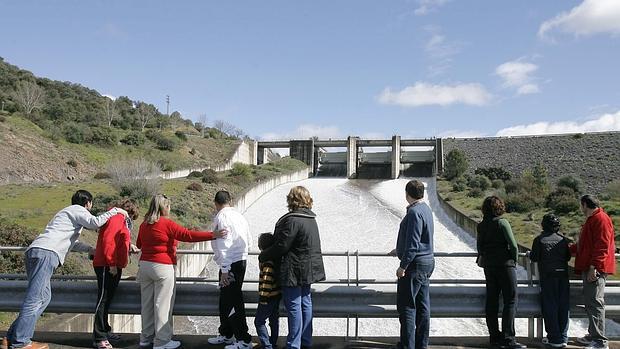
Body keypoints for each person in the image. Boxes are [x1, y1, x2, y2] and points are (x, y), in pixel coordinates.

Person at [1, 190, 128, 349]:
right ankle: (21, 343)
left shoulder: (66, 213)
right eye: (91, 204)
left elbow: (70, 243)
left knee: (44, 298)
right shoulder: (78, 210)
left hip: (38, 251)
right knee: (35, 299)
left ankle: (10, 337)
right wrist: (115, 210)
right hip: (47, 254)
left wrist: (89, 249)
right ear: (88, 203)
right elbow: (95, 222)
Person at [137, 194, 226, 349]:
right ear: (165, 207)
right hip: (163, 267)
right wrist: (213, 235)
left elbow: (139, 243)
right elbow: (188, 235)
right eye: (168, 206)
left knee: (147, 304)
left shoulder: (144, 224)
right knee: (162, 305)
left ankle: (146, 338)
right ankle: (162, 341)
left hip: (144, 266)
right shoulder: (167, 223)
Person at [259, 186, 325, 349]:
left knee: (294, 306)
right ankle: (305, 341)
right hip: (309, 269)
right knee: (305, 303)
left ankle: (293, 345)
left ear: (292, 200)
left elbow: (281, 246)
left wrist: (264, 255)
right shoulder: (311, 219)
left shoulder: (291, 220)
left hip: (293, 271)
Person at [476, 196, 525, 349]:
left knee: (492, 300)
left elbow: (479, 247)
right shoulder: (502, 222)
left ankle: (494, 337)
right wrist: (514, 260)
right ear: (499, 207)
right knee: (510, 300)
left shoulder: (481, 225)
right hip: (505, 266)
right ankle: (508, 339)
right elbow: (513, 245)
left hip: (489, 266)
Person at [207, 191, 253, 349]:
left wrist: (225, 269)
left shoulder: (221, 217)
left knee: (232, 301)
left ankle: (244, 339)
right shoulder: (239, 216)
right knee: (227, 299)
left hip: (230, 265)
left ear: (216, 203)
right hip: (240, 260)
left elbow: (223, 244)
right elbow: (249, 239)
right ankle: (226, 333)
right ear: (230, 200)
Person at [92, 199, 140, 349]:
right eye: (132, 217)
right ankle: (99, 337)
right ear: (130, 212)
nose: (131, 220)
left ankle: (105, 331)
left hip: (112, 264)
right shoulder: (117, 218)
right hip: (107, 265)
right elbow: (108, 242)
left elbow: (118, 239)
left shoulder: (118, 218)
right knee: (103, 299)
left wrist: (129, 246)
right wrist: (111, 264)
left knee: (107, 299)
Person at [392, 179, 435, 349]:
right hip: (427, 263)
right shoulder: (426, 209)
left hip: (414, 266)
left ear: (407, 194)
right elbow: (421, 239)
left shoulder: (414, 212)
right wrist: (398, 249)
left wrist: (402, 267)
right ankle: (421, 344)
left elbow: (413, 244)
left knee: (407, 307)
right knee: (423, 307)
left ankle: (407, 345)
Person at [571, 195, 616, 349]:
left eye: (581, 206)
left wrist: (594, 267)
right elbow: (587, 245)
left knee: (595, 302)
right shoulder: (594, 219)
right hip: (592, 267)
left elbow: (602, 245)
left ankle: (600, 341)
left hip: (595, 269)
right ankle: (593, 335)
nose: (581, 209)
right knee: (591, 302)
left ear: (585, 204)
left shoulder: (600, 219)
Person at [529, 214, 571, 348]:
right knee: (564, 306)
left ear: (543, 225)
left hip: (547, 277)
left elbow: (534, 257)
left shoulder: (539, 240)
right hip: (563, 276)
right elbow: (568, 257)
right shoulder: (563, 240)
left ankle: (554, 338)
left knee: (550, 306)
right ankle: (563, 337)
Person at [254, 233, 281, 349]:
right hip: (277, 295)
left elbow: (266, 280)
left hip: (268, 297)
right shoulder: (275, 259)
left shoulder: (267, 262)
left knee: (259, 321)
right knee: (274, 320)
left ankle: (267, 345)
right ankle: (273, 342)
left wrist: (263, 297)